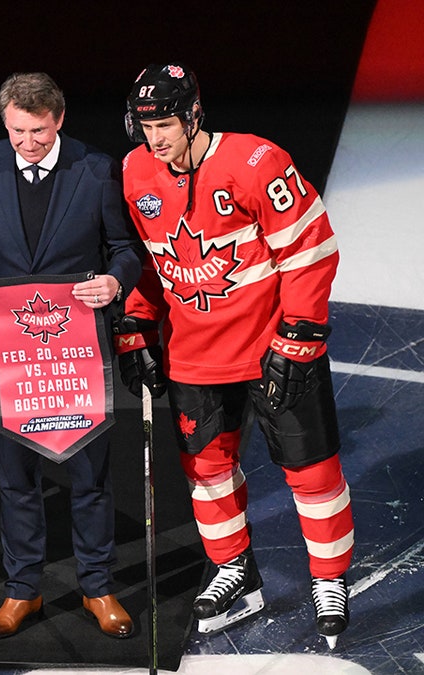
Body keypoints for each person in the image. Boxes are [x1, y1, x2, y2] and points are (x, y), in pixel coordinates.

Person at [117, 62, 354, 648]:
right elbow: (152, 260)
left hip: (272, 347)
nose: (155, 139)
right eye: (146, 127)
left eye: (165, 125)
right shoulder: (135, 172)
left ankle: (329, 578)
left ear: (194, 114)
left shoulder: (256, 162)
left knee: (312, 469)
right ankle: (234, 569)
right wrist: (137, 323)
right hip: (195, 356)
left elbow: (310, 248)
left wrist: (299, 336)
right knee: (206, 471)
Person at [0, 73, 142, 641]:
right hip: (13, 349)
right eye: (17, 132)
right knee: (17, 476)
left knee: (90, 475)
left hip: (79, 347)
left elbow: (125, 247)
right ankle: (21, 590)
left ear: (59, 120)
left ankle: (97, 586)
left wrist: (114, 281)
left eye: (38, 131)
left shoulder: (96, 168)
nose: (27, 143)